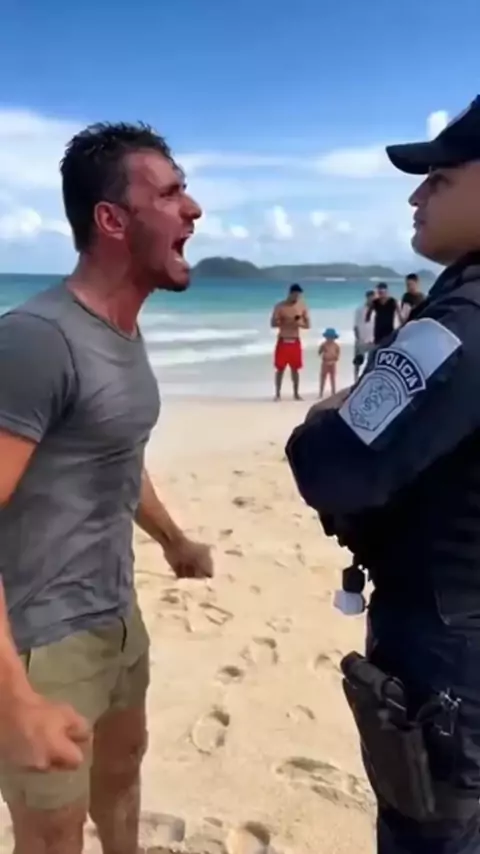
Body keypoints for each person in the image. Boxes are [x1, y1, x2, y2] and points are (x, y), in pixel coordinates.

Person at [0, 122, 213, 854]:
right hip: (39, 645)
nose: (193, 209)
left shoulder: (121, 331)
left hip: (117, 618)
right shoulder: (37, 340)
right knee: (53, 834)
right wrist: (15, 702)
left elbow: (115, 452)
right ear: (112, 220)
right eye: (172, 193)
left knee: (121, 782)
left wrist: (173, 539)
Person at [285, 94, 480, 853]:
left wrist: (324, 413)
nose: (416, 195)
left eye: (440, 176)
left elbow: (334, 468)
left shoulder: (460, 325)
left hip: (449, 647)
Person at [271, 283, 310, 401]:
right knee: (280, 369)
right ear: (290, 294)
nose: (297, 298)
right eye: (295, 295)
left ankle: (296, 394)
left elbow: (308, 325)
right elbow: (273, 323)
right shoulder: (280, 306)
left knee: (295, 369)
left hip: (295, 340)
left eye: (299, 296)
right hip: (283, 340)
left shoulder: (302, 306)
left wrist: (298, 323)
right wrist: (284, 321)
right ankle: (277, 394)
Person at [353, 289, 375, 381]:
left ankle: (368, 378)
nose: (372, 300)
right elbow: (356, 325)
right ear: (367, 298)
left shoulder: (377, 310)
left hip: (372, 340)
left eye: (373, 298)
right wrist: (358, 339)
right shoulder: (360, 309)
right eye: (370, 298)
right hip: (361, 339)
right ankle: (355, 379)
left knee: (371, 362)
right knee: (357, 361)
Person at [318, 328, 340, 398]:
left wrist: (335, 358)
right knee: (323, 378)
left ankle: (333, 392)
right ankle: (321, 393)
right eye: (328, 337)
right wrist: (322, 351)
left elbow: (338, 354)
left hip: (332, 363)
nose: (330, 339)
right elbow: (319, 352)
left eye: (331, 337)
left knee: (332, 378)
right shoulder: (324, 344)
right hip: (325, 362)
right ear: (326, 337)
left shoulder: (336, 346)